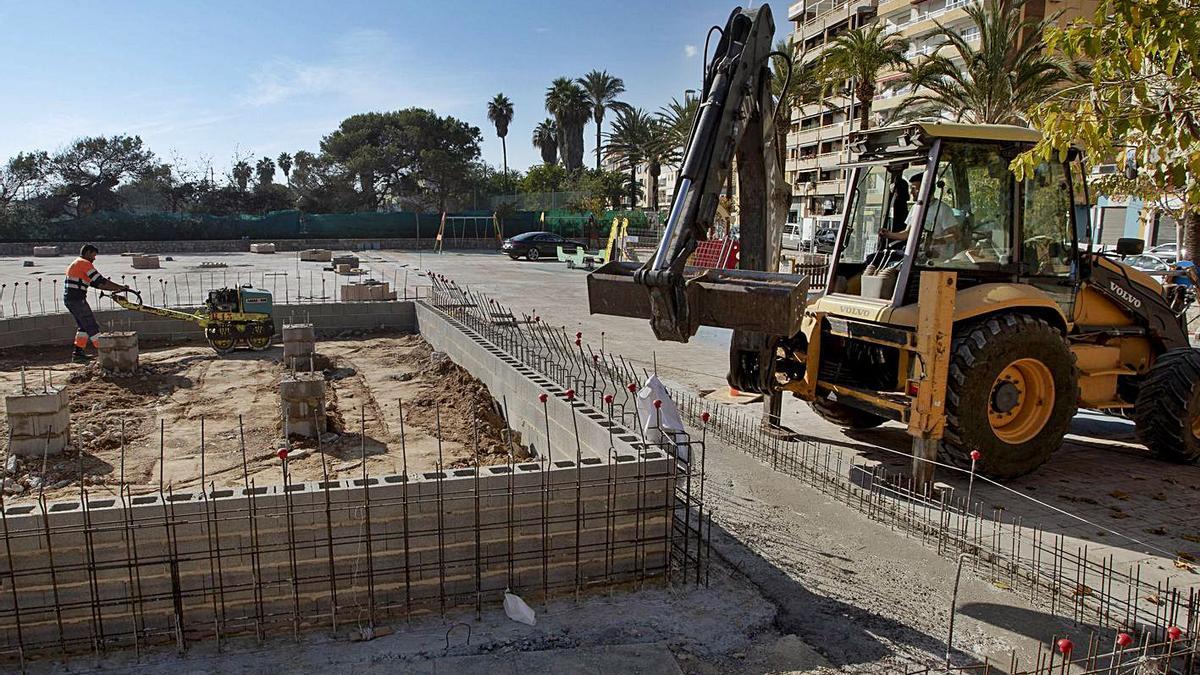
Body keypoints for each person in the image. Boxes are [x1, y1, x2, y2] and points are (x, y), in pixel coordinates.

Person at [64, 244, 132, 363]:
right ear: (87, 253)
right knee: (91, 326)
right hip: (77, 300)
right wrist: (120, 287)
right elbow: (101, 281)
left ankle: (78, 353)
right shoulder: (84, 263)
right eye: (93, 255)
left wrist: (117, 289)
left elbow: (97, 284)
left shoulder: (77, 263)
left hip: (71, 300)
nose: (94, 258)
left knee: (83, 327)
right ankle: (106, 353)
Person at [879, 172, 960, 259]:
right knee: (875, 258)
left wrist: (935, 241)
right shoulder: (915, 208)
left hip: (935, 258)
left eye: (914, 189)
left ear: (926, 189)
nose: (911, 192)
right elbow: (907, 234)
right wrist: (888, 234)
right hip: (915, 255)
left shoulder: (943, 209)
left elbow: (956, 235)